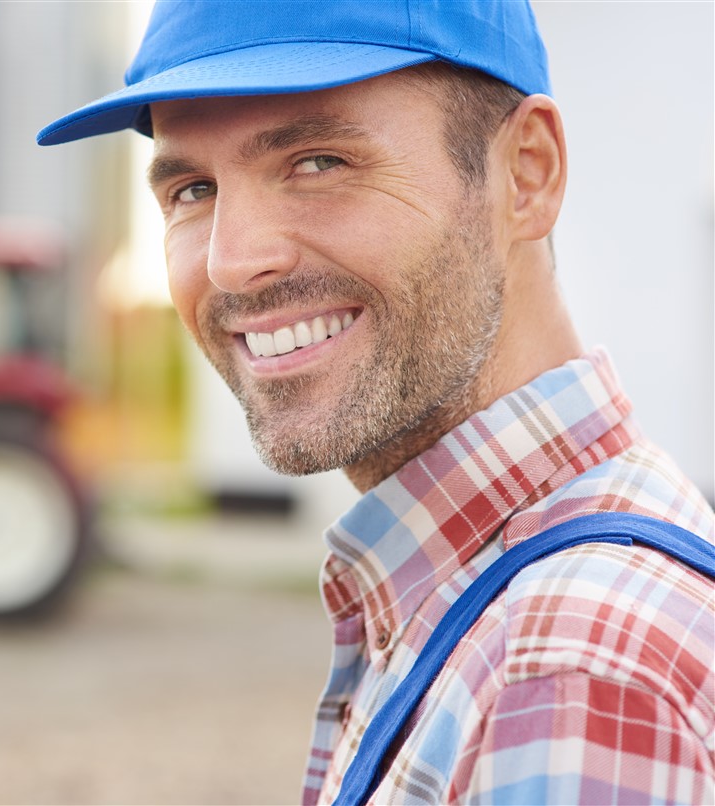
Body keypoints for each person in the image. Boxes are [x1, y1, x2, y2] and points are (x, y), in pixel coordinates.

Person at [38, 1, 715, 803]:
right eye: (193, 189)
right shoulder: (476, 593)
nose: (230, 261)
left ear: (526, 173)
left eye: (319, 162)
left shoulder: (564, 675)